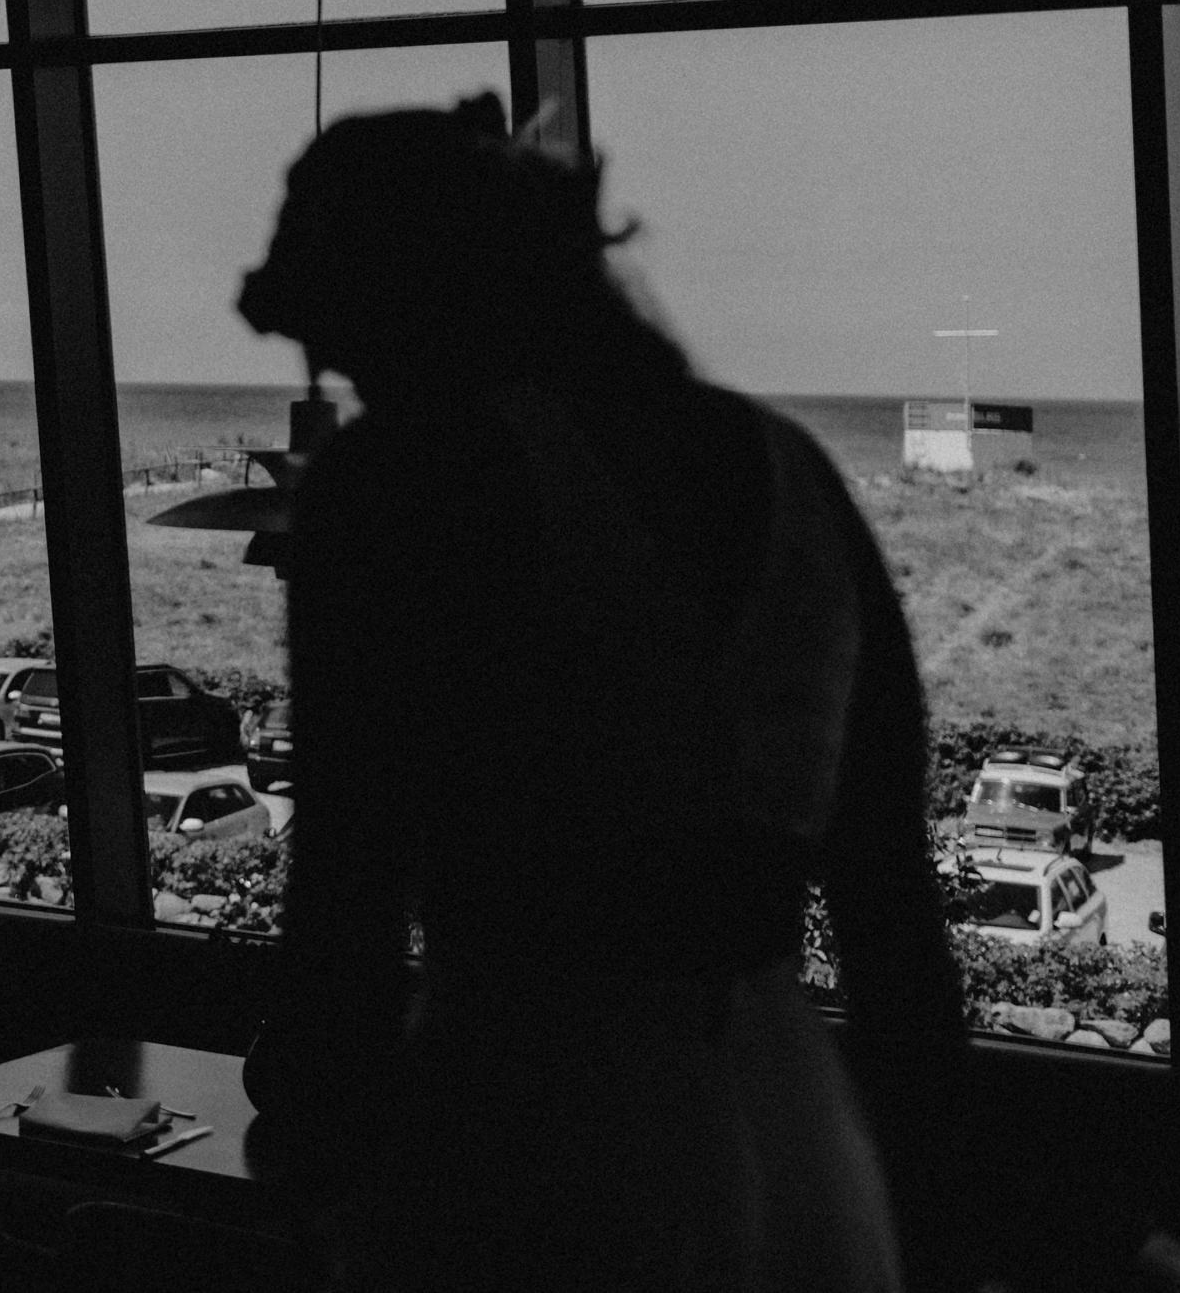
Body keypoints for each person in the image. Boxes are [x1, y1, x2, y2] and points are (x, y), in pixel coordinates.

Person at [233, 94, 962, 1293]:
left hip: (524, 1134)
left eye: (347, 334)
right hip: (796, 1135)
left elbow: (345, 912)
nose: (338, 372)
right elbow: (889, 911)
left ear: (423, 303)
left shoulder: (401, 483)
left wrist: (318, 1175)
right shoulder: (791, 469)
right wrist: (928, 1220)